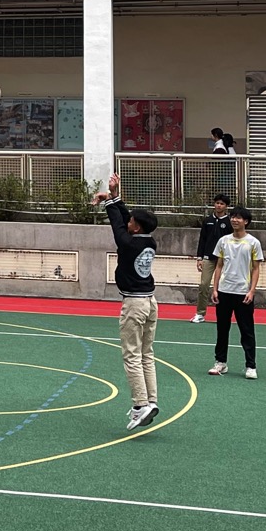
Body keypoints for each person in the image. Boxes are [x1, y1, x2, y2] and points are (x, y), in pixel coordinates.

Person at [93, 173, 159, 431]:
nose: (128, 220)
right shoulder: (149, 240)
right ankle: (151, 401)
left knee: (131, 355)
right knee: (146, 355)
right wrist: (114, 196)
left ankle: (140, 405)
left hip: (134, 304)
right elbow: (125, 220)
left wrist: (110, 203)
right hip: (150, 302)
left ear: (136, 227)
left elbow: (117, 225)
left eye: (132, 220)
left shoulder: (128, 243)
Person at [209, 205, 262, 379]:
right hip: (224, 291)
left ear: (246, 221)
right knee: (222, 329)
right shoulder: (223, 241)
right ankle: (220, 362)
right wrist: (215, 289)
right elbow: (219, 266)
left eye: (238, 217)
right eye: (233, 217)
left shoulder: (253, 243)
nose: (234, 220)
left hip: (243, 293)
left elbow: (256, 268)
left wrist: (252, 291)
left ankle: (251, 366)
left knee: (247, 331)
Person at [192, 194, 232, 322]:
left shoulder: (230, 222)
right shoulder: (207, 220)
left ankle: (224, 314)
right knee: (204, 285)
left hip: (224, 259)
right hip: (208, 257)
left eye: (222, 204)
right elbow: (202, 239)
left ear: (226, 206)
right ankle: (200, 313)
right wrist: (199, 257)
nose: (219, 206)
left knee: (223, 286)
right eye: (217, 203)